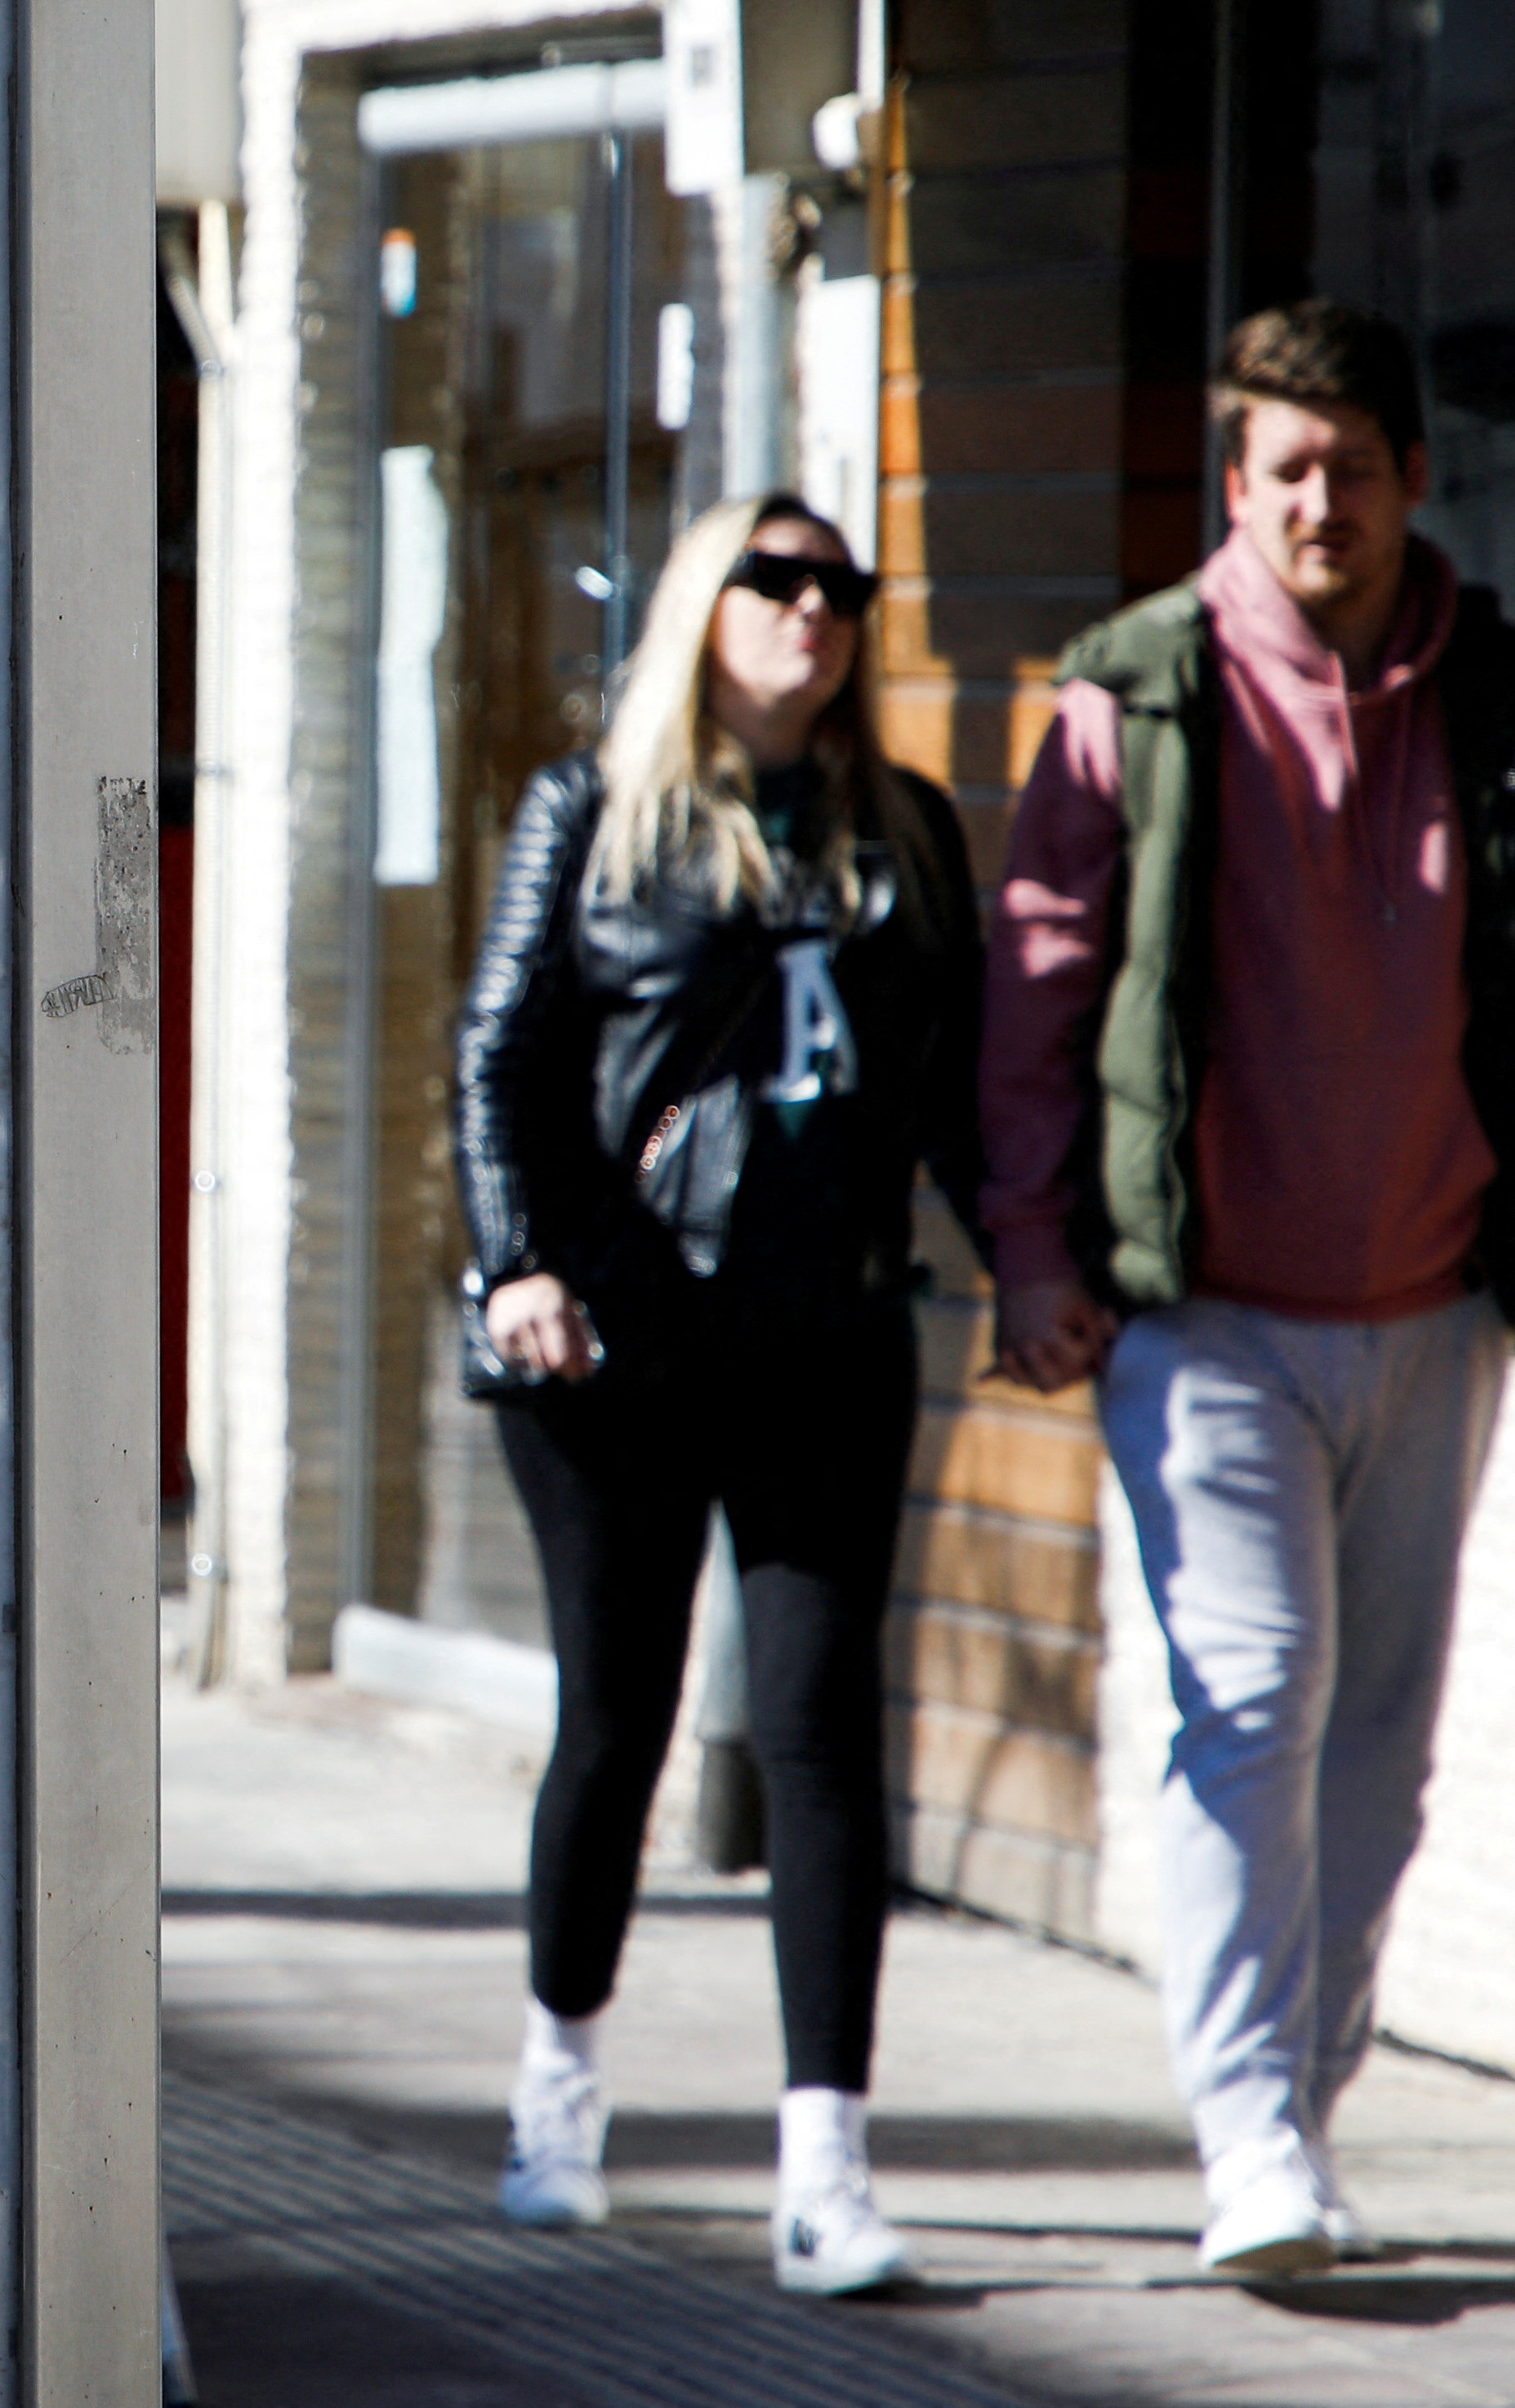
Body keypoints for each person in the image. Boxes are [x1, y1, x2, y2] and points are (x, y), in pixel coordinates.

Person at [981, 298, 1515, 2273]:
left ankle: (1295, 2121)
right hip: (1206, 1310)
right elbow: (1038, 997)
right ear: (1238, 486)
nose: (1320, 500)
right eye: (1284, 467)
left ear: (1413, 477)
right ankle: (1250, 2141)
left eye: (1356, 464)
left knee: (1380, 1751)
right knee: (1252, 1704)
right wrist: (1036, 1250)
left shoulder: (1503, 699)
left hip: (1432, 1304)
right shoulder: (1130, 699)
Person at [452, 492, 984, 2298]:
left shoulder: (899, 831)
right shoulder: (591, 814)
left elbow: (957, 1086)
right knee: (620, 1713)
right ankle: (558, 2082)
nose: (811, 611)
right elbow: (504, 1050)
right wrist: (519, 1259)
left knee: (827, 1733)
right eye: (773, 579)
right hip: (617, 1339)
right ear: (704, 603)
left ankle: (824, 2168)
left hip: (827, 1339)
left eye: (840, 587)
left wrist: (1043, 1265)